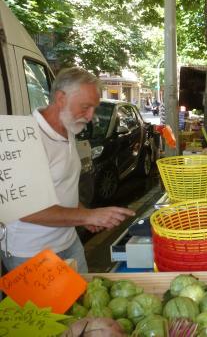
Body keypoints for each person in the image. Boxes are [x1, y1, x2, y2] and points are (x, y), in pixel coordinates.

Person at [0, 67, 135, 273]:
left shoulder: (69, 128)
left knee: (82, 302)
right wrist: (87, 217)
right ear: (60, 98)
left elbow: (62, 189)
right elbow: (26, 211)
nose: (90, 116)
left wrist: (84, 214)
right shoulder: (22, 138)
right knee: (49, 307)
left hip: (69, 242)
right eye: (85, 107)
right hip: (31, 253)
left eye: (94, 108)